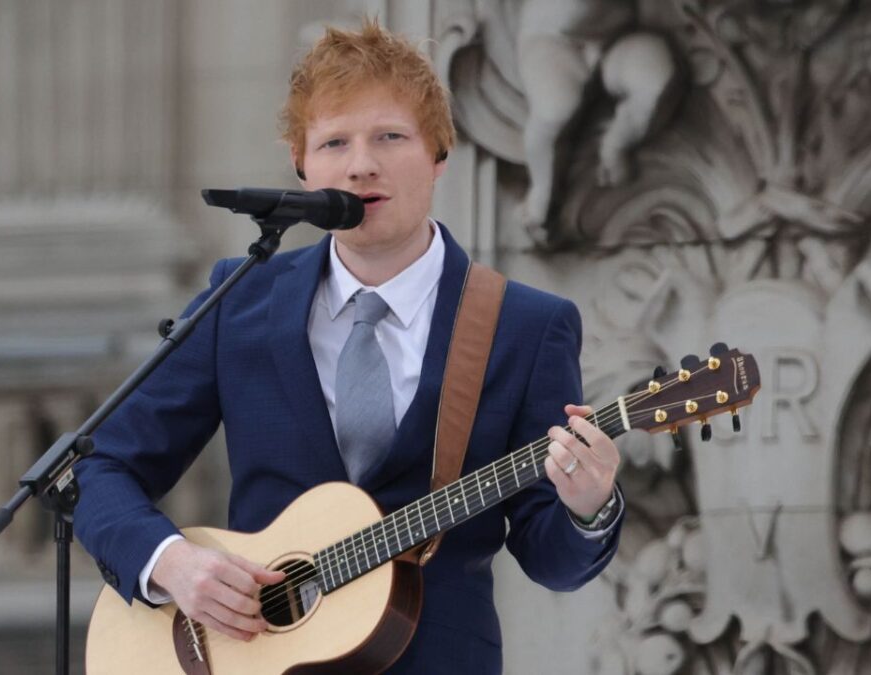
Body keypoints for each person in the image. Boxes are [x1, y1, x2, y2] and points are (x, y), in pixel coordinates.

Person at [73, 18, 624, 673]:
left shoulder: (524, 327)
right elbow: (101, 468)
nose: (361, 163)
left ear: (439, 153)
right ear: (303, 167)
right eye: (334, 141)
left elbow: (552, 560)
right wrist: (172, 564)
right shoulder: (241, 300)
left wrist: (589, 506)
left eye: (390, 136)